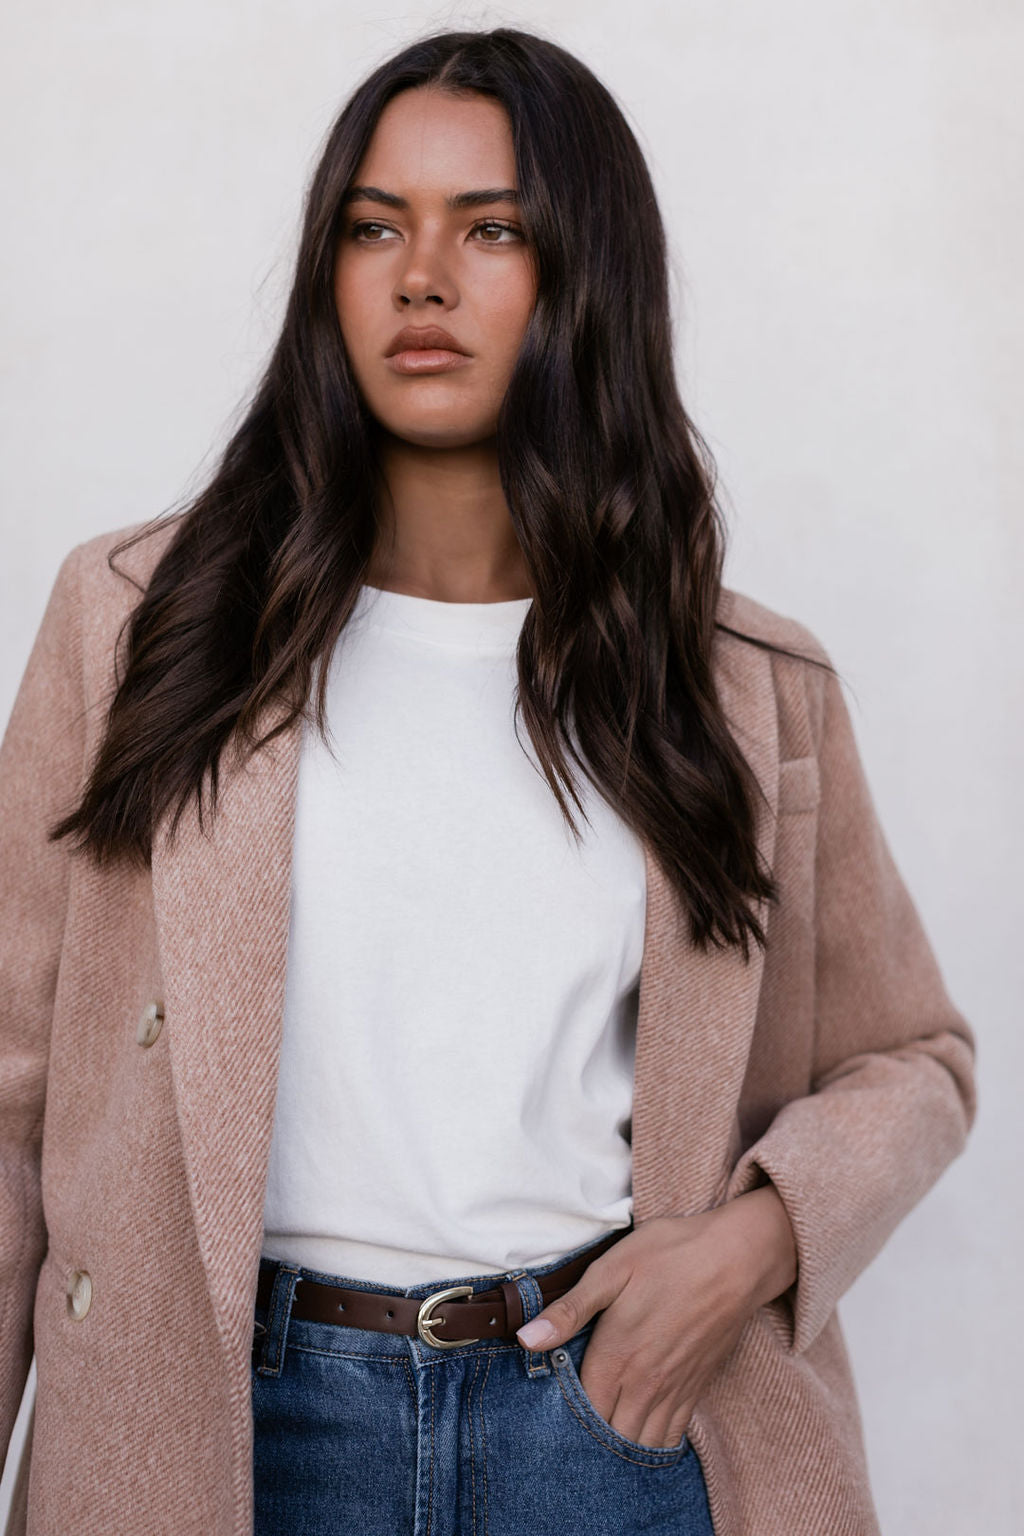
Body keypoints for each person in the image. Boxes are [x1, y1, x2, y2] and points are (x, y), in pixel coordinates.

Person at [0, 25, 976, 1536]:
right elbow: (10, 1090)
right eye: (375, 225)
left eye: (493, 228)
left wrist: (756, 1241)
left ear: (585, 275)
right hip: (227, 1433)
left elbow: (914, 1057)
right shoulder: (137, 624)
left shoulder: (742, 684)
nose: (422, 278)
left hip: (610, 1422)